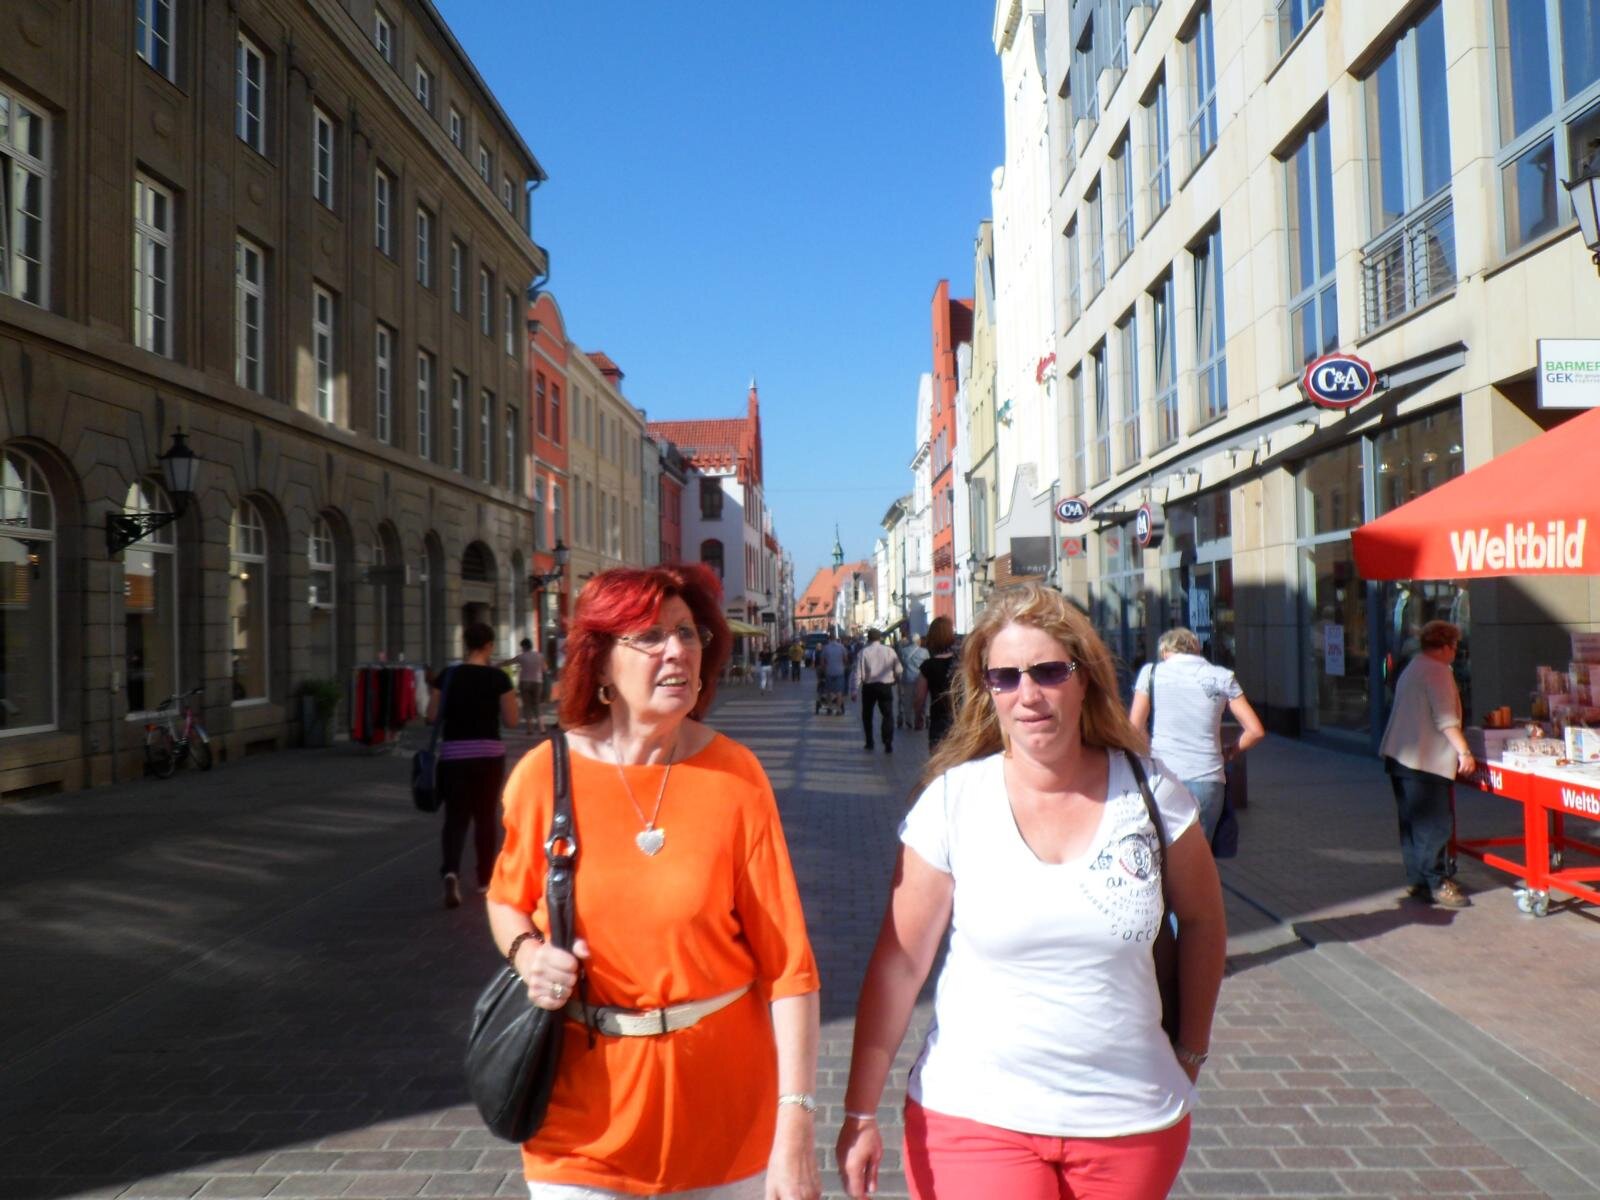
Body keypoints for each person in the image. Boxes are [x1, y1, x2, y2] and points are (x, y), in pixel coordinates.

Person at [836, 583, 1226, 1200]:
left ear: (1084, 678)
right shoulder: (953, 801)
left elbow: (1204, 921)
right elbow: (899, 965)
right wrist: (859, 1112)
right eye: (1005, 677)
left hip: (1131, 1119)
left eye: (1048, 671)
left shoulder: (1151, 793)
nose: (1028, 694)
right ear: (985, 688)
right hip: (974, 1114)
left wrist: (1191, 1053)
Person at [486, 564, 822, 1200]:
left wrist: (796, 1120)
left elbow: (789, 968)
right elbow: (506, 900)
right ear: (601, 663)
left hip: (724, 1116)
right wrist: (528, 955)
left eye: (687, 633)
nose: (677, 651)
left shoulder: (736, 776)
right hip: (579, 1124)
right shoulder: (543, 775)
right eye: (649, 636)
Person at [1127, 627, 1265, 841]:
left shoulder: (1151, 673)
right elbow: (1255, 731)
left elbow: (1134, 728)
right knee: (1202, 850)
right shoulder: (1222, 676)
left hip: (1163, 774)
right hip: (1208, 777)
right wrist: (1230, 752)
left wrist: (1149, 753)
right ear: (1197, 649)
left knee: (1163, 848)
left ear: (1164, 652)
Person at [1377, 619, 1474, 909]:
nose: (1456, 652)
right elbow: (1445, 719)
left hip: (1399, 756)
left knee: (1411, 822)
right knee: (1435, 825)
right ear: (1444, 647)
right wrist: (1464, 752)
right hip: (1425, 760)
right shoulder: (1437, 671)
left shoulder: (1414, 665)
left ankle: (1418, 879)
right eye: (1455, 647)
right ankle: (1437, 881)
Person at [427, 623, 519, 909]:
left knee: (455, 818)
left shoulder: (448, 675)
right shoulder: (498, 678)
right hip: (488, 755)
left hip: (454, 755)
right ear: (489, 645)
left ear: (465, 644)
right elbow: (512, 720)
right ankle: (484, 878)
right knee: (485, 817)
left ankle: (451, 871)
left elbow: (431, 716)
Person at [852, 628, 903, 754]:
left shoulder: (863, 652)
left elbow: (857, 673)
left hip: (869, 687)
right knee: (887, 714)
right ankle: (887, 741)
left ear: (868, 639)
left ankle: (869, 742)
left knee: (867, 715)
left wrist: (854, 690)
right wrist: (896, 679)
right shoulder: (889, 651)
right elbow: (899, 669)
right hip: (885, 687)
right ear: (880, 638)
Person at [913, 618, 958, 751]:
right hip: (961, 721)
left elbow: (919, 698)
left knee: (939, 760)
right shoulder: (960, 663)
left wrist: (918, 717)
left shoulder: (928, 666)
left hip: (939, 722)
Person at [500, 637, 547, 735]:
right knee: (537, 704)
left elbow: (509, 662)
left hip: (524, 682)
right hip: (537, 682)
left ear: (524, 646)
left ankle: (530, 729)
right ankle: (542, 728)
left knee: (527, 705)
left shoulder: (522, 657)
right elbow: (545, 669)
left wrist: (496, 665)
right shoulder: (540, 656)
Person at [898, 634, 929, 731]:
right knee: (921, 700)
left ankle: (909, 720)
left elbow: (901, 664)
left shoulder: (903, 651)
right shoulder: (924, 651)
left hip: (908, 678)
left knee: (908, 700)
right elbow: (928, 664)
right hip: (921, 679)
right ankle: (920, 720)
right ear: (919, 641)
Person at [818, 633, 849, 708]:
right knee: (839, 691)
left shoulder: (826, 648)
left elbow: (822, 661)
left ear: (829, 639)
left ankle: (830, 707)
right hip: (839, 671)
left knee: (829, 690)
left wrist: (823, 669)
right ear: (836, 638)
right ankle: (838, 709)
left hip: (829, 671)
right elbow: (846, 659)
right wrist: (844, 666)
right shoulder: (841, 647)